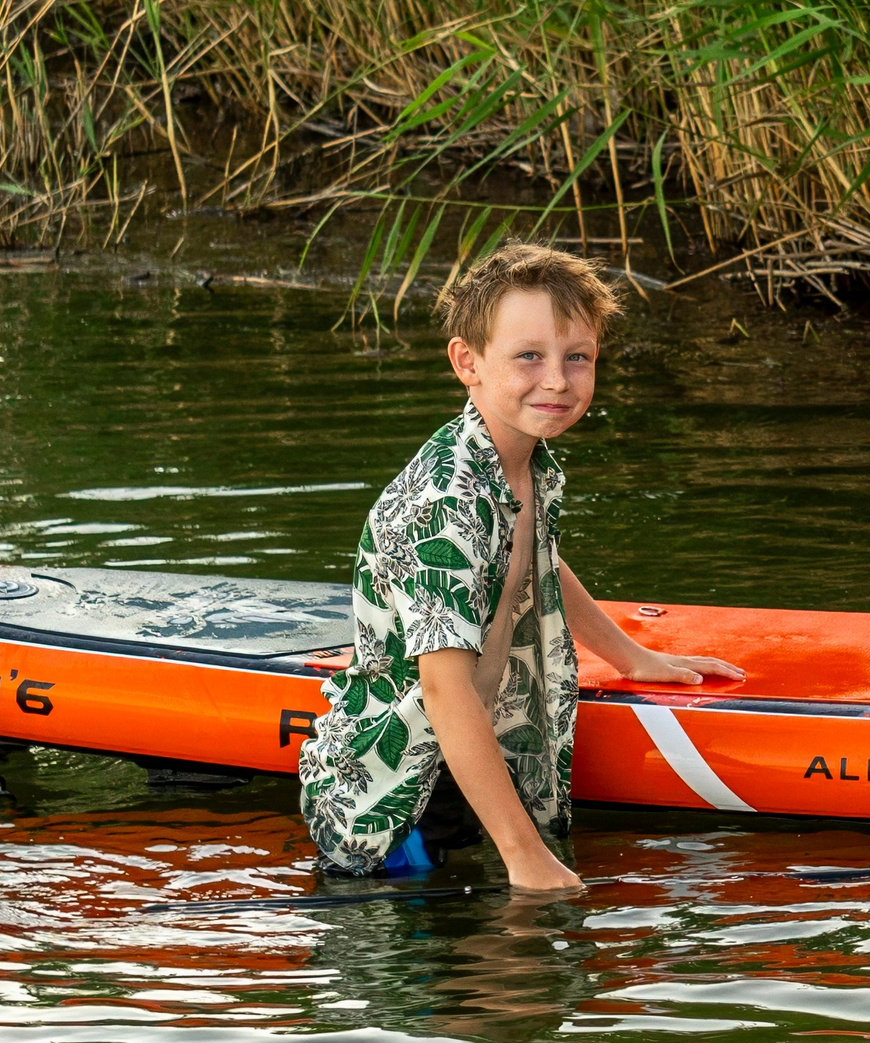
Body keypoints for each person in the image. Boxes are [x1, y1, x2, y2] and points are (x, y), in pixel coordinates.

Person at [299, 243, 743, 891]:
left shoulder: (522, 459)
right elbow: (447, 690)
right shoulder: (446, 504)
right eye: (529, 356)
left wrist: (630, 657)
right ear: (467, 362)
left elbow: (536, 562)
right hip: (394, 814)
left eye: (578, 357)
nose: (558, 380)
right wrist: (523, 854)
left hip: (470, 771)